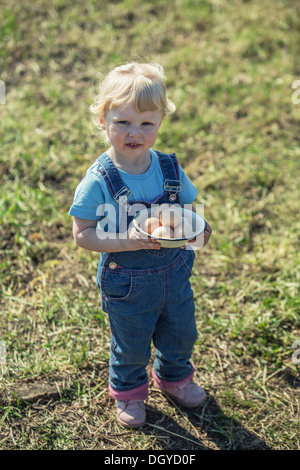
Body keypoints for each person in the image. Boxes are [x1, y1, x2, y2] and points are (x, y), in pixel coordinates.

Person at [69, 61, 212, 428]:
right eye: (123, 122)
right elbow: (82, 233)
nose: (135, 132)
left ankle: (174, 378)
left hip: (174, 274)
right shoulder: (99, 179)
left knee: (181, 331)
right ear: (103, 120)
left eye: (147, 123)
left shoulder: (168, 168)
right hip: (126, 282)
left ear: (160, 122)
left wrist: (199, 230)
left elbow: (186, 211)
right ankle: (130, 391)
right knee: (130, 343)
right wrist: (126, 240)